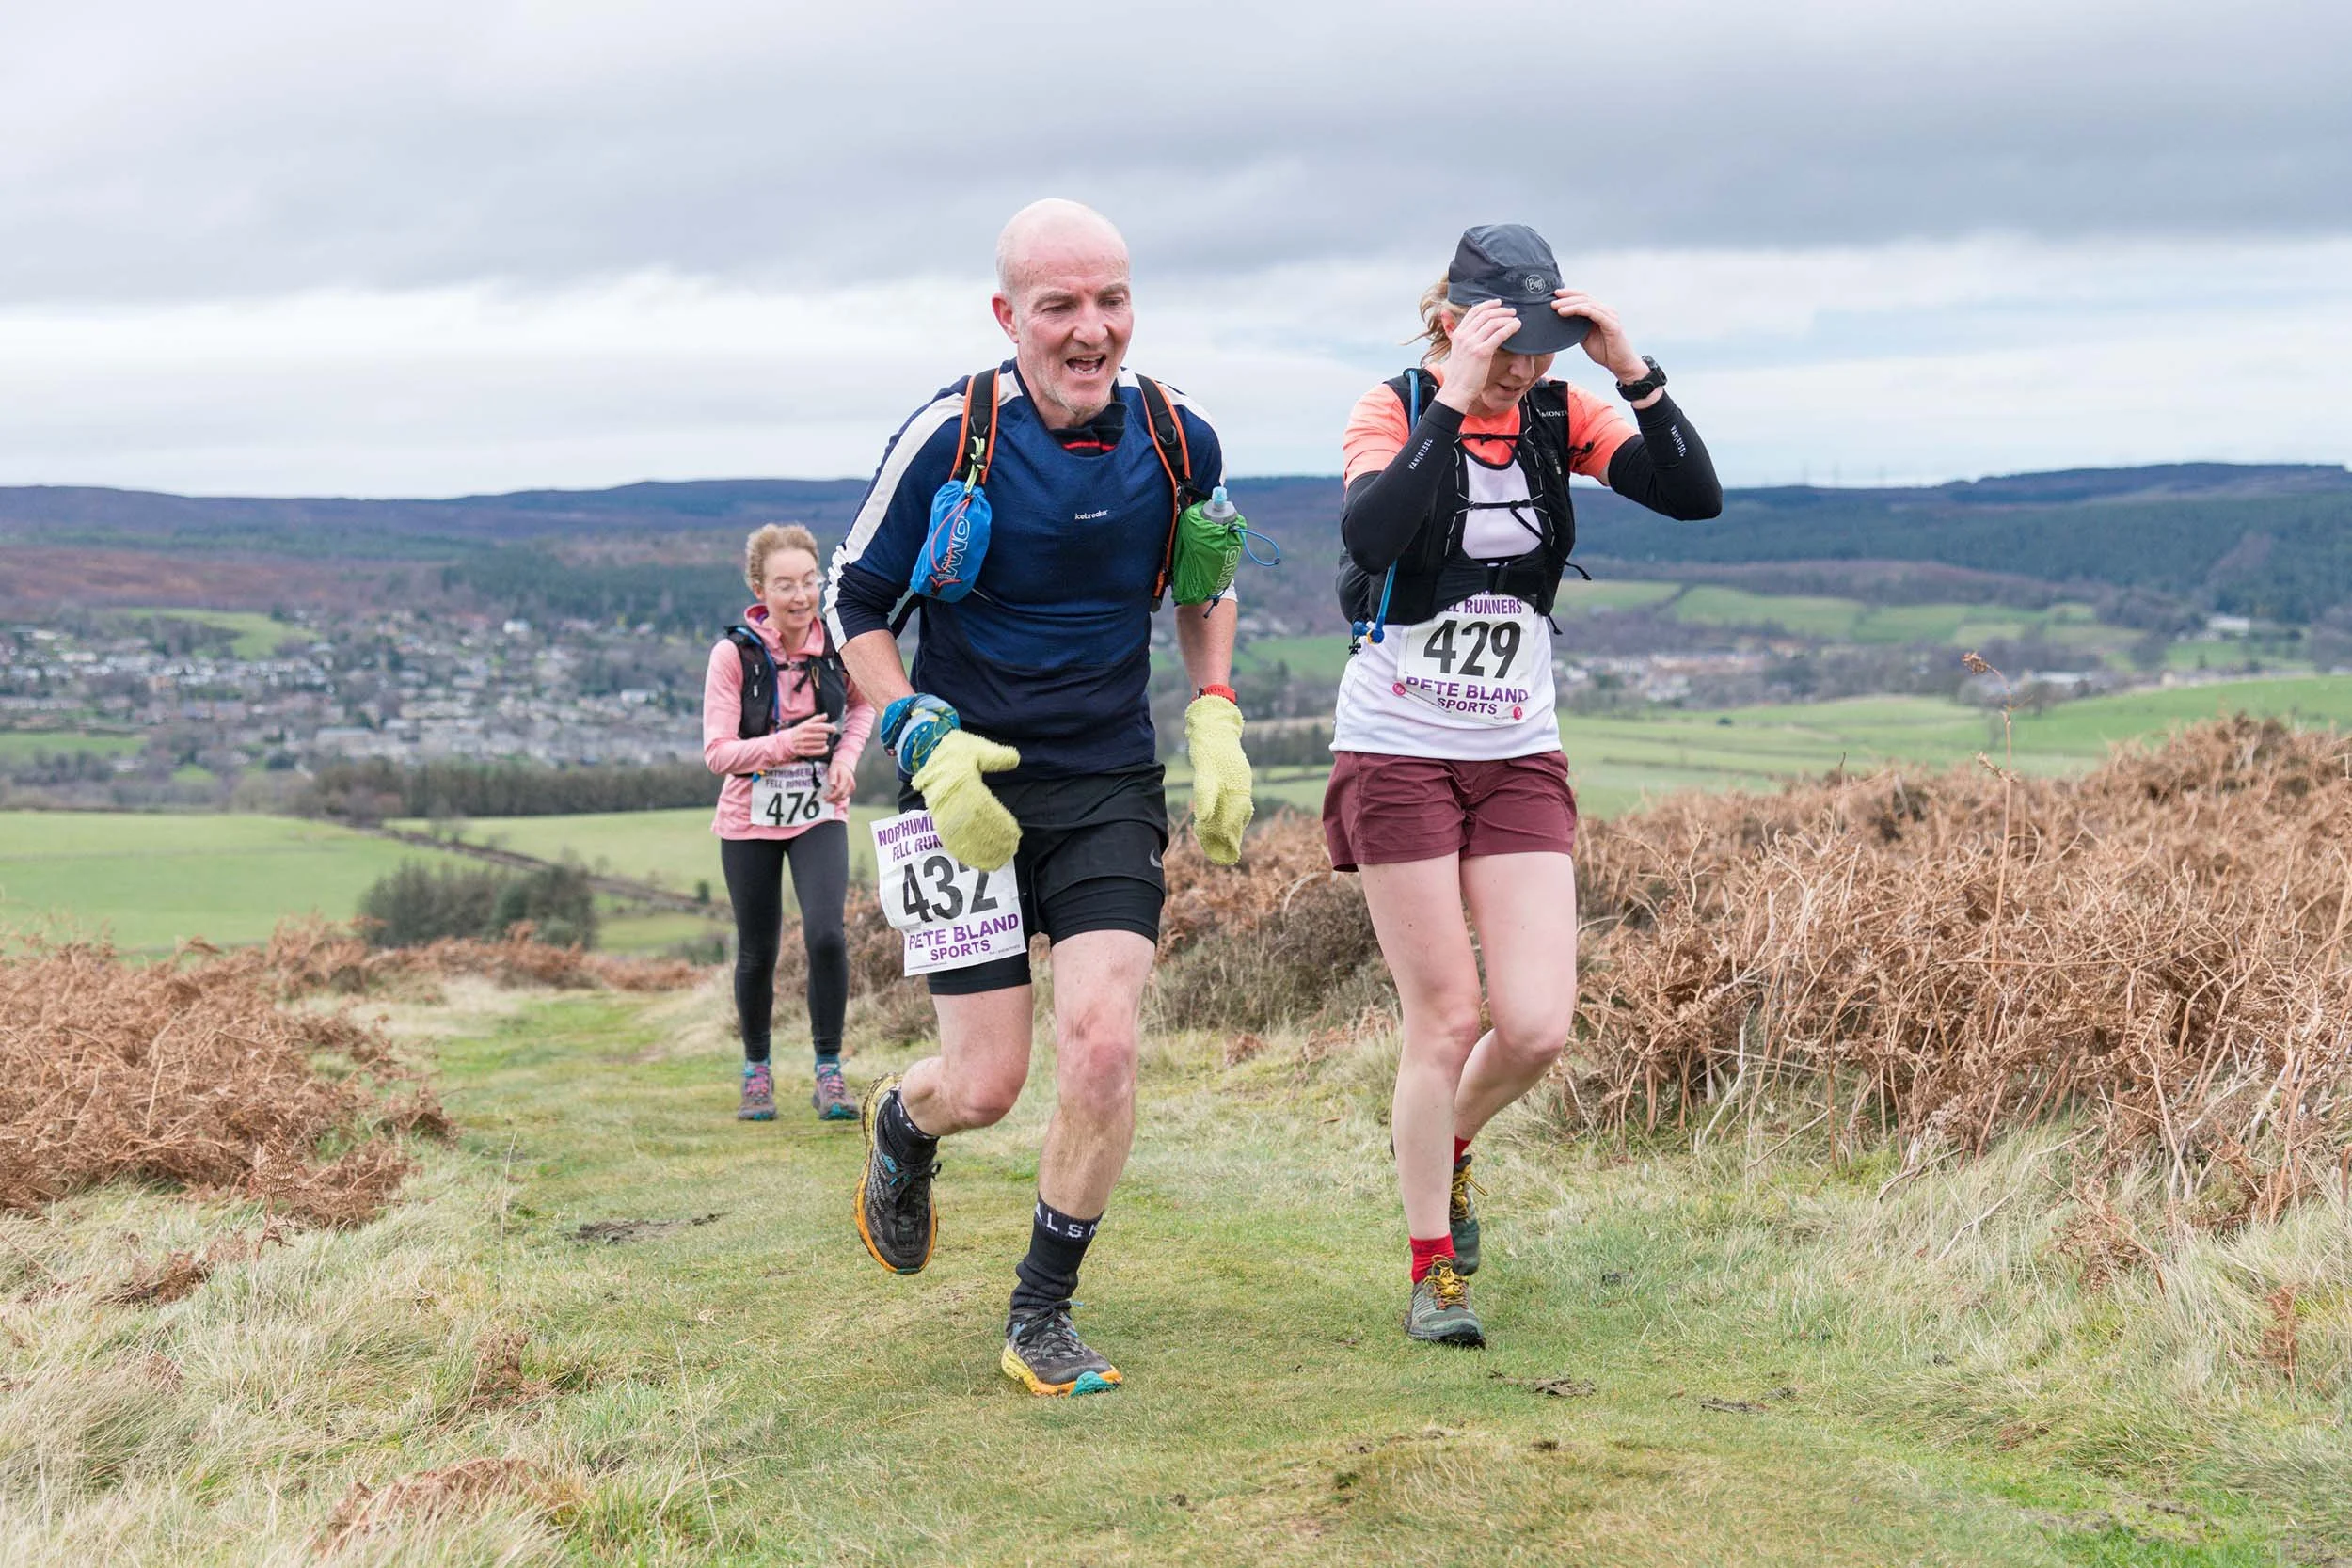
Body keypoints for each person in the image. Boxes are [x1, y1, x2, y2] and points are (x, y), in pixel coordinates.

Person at [824, 198, 1254, 1397]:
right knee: (985, 1083)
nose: (1089, 328)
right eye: (1059, 304)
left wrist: (1212, 705)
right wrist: (914, 724)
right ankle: (905, 1126)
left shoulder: (1179, 438)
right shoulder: (949, 436)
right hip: (960, 784)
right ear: (1007, 313)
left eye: (1110, 299)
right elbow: (850, 605)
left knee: (1105, 1039)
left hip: (1109, 774)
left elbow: (1203, 577)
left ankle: (1041, 1312)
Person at [1327, 223, 1722, 1348]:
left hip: (1516, 749)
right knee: (1446, 1014)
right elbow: (1372, 530)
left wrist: (1633, 373)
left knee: (1539, 1024)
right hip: (1398, 745)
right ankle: (1430, 1266)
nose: (1530, 366)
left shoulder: (1560, 411)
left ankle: (1443, 1147)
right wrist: (1452, 399)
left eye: (1546, 341)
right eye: (1513, 342)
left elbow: (1693, 497)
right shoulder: (1395, 407)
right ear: (1454, 319)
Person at [702, 523, 876, 1122]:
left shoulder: (838, 645)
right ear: (759, 589)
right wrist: (784, 744)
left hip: (819, 808)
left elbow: (862, 706)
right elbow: (718, 753)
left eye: (809, 581)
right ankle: (757, 1072)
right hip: (748, 816)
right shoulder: (734, 654)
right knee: (758, 949)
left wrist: (847, 760)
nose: (801, 596)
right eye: (785, 585)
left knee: (827, 934)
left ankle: (829, 1070)